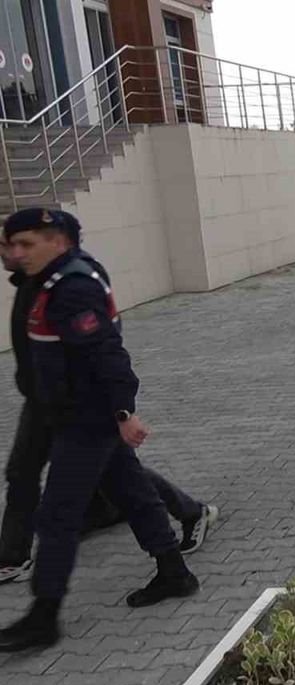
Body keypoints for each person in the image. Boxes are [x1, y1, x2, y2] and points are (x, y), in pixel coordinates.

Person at [0, 209, 202, 652]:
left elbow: (107, 353)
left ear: (57, 241)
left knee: (58, 515)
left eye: (27, 244)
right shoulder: (49, 278)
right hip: (63, 411)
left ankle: (43, 617)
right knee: (132, 492)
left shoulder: (73, 286)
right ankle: (174, 571)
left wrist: (124, 412)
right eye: (12, 245)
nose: (17, 253)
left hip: (85, 419)